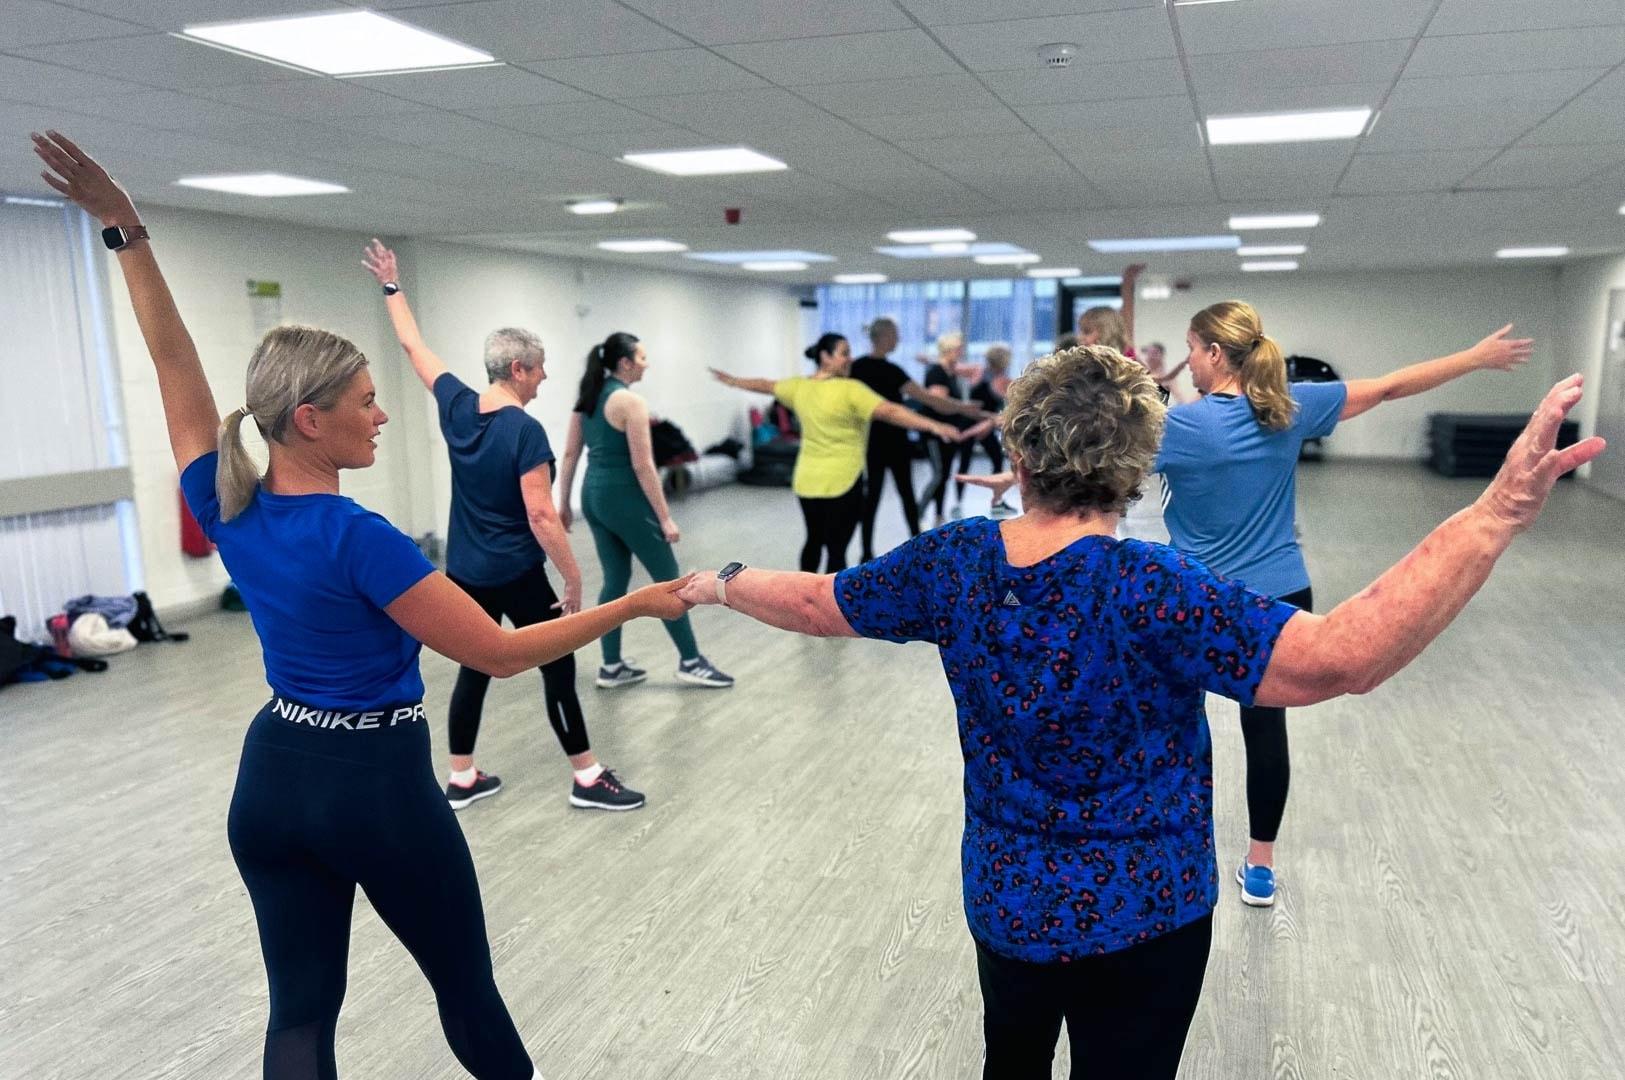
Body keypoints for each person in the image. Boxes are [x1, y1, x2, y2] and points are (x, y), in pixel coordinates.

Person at [677, 343, 1601, 1080]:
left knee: (1012, 1060)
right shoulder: (1154, 587)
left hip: (1007, 895)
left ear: (1017, 452)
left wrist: (720, 580)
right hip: (1146, 910)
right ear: (1136, 465)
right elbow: (1339, 661)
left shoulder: (954, 563)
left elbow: (813, 602)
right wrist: (1497, 511)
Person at [32, 131, 692, 1080]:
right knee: (466, 988)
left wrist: (127, 230)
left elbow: (175, 372)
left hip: (271, 784)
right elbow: (504, 653)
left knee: (299, 1015)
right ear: (312, 419)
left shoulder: (229, 507)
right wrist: (635, 607)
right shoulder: (362, 539)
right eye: (368, 401)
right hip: (374, 791)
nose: (383, 416)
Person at [1153, 301, 1535, 905]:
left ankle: (1170, 848)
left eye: (1193, 350)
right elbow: (1389, 387)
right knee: (1265, 726)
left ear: (1214, 353)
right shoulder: (1289, 408)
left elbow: (1094, 469)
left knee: (1171, 720)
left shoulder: (1179, 430)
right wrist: (1476, 357)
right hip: (1279, 593)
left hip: (1195, 598)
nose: (1190, 363)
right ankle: (1259, 866)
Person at [361, 241, 642, 812]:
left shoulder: (457, 405)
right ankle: (587, 777)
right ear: (518, 369)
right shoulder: (524, 431)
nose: (543, 380)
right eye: (539, 371)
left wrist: (393, 286)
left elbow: (413, 345)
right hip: (517, 571)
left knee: (476, 665)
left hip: (464, 570)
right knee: (558, 666)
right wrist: (572, 580)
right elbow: (541, 514)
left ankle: (461, 776)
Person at [557, 331, 733, 691]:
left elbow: (571, 454)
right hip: (623, 497)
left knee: (615, 580)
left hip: (593, 496)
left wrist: (563, 504)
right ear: (625, 363)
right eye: (641, 358)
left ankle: (611, 666)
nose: (646, 364)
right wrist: (665, 516)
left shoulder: (588, 398)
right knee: (670, 580)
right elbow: (643, 466)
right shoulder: (630, 402)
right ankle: (691, 661)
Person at [710, 333, 964, 573]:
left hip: (807, 481)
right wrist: (935, 425)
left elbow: (766, 385)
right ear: (825, 357)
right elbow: (891, 412)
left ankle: (803, 595)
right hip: (843, 481)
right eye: (844, 353)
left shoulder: (799, 387)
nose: (849, 358)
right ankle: (829, 606)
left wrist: (733, 381)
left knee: (813, 540)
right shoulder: (850, 389)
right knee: (836, 549)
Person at [850, 316, 989, 560]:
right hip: (885, 441)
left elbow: (929, 398)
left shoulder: (861, 368)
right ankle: (912, 548)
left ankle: (869, 552)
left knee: (877, 496)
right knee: (896, 494)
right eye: (895, 335)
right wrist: (964, 408)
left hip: (878, 441)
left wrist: (964, 408)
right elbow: (929, 399)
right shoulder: (884, 370)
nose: (899, 339)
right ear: (884, 337)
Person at [918, 331, 979, 525]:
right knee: (939, 475)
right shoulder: (936, 372)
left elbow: (975, 369)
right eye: (959, 349)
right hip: (935, 432)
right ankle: (917, 512)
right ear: (949, 350)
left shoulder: (950, 372)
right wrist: (964, 408)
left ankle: (938, 514)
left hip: (950, 432)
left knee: (944, 475)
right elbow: (940, 404)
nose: (961, 353)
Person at [966, 344, 1014, 517]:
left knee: (993, 460)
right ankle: (996, 501)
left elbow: (955, 368)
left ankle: (997, 501)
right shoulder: (1000, 380)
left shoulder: (977, 371)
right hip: (980, 423)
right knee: (993, 460)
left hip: (976, 422)